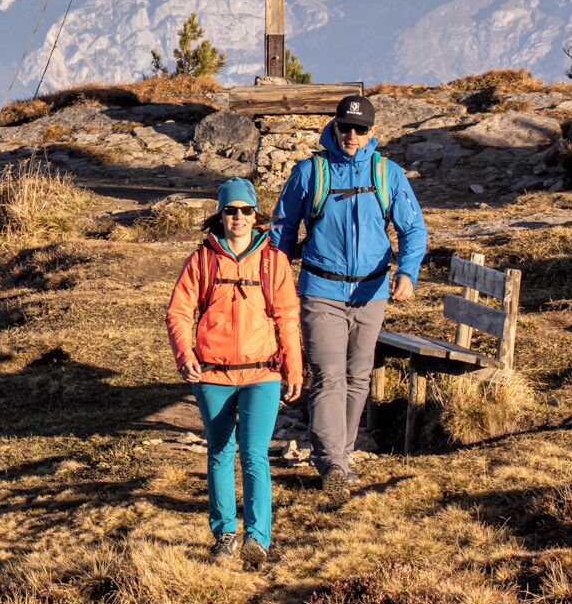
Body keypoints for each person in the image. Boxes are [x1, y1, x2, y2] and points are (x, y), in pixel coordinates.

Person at [269, 93, 427, 497]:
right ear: (334, 127)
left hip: (372, 291)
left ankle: (343, 452)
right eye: (345, 128)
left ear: (372, 132)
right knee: (327, 375)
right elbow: (283, 230)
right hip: (321, 289)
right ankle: (332, 462)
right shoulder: (311, 172)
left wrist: (407, 274)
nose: (351, 136)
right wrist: (276, 278)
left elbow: (413, 230)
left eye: (360, 129)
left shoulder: (387, 174)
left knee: (359, 376)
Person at [165, 177, 304, 567]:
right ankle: (225, 533)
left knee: (256, 455)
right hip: (212, 375)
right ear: (220, 214)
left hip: (262, 373)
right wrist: (184, 354)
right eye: (231, 210)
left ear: (255, 215)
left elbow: (287, 317)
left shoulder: (272, 260)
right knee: (220, 452)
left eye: (246, 210)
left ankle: (258, 538)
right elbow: (178, 311)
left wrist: (294, 368)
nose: (238, 217)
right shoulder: (202, 259)